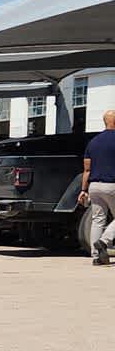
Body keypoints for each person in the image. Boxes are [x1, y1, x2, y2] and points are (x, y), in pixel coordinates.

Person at [79, 110, 115, 266]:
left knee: (97, 220)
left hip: (94, 186)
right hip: (112, 185)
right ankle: (104, 241)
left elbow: (87, 169)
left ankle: (96, 257)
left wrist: (83, 190)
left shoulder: (93, 142)